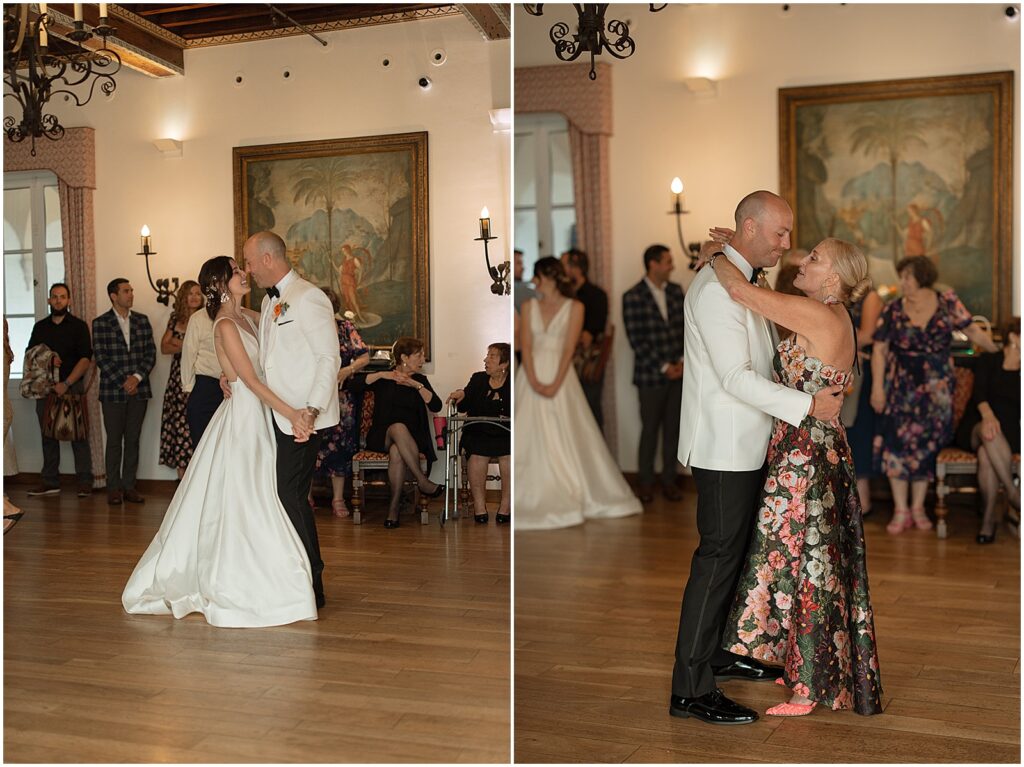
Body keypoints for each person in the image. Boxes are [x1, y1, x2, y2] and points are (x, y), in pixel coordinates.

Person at [671, 191, 844, 726]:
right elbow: (733, 378)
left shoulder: (738, 279)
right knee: (717, 561)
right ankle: (690, 688)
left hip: (747, 442)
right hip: (724, 446)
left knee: (735, 556)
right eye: (780, 234)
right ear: (748, 227)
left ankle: (720, 655)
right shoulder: (717, 290)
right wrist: (808, 404)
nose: (788, 245)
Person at [708, 234, 883, 717]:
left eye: (813, 258)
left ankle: (807, 688)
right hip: (815, 449)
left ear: (833, 277)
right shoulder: (831, 314)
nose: (800, 261)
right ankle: (805, 669)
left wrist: (719, 258)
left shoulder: (822, 315)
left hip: (806, 456)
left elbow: (741, 294)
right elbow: (758, 295)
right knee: (809, 563)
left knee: (808, 567)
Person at [122, 256, 317, 627]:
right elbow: (253, 381)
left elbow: (269, 362)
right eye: (236, 271)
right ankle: (247, 578)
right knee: (248, 496)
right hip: (246, 415)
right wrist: (292, 414)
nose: (245, 274)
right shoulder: (225, 324)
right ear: (221, 282)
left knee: (263, 493)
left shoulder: (252, 315)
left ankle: (273, 571)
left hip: (260, 413)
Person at [245, 231, 340, 608]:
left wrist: (311, 411)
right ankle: (292, 576)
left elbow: (327, 359)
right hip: (277, 416)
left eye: (250, 262)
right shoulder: (271, 304)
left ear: (268, 259)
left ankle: (312, 582)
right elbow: (272, 359)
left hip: (302, 419)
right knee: (282, 496)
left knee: (291, 496)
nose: (248, 270)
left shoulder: (308, 297)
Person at [870, 255, 997, 534]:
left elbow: (972, 330)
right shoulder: (892, 309)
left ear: (922, 277)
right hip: (900, 389)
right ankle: (901, 509)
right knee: (897, 447)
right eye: (901, 276)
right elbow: (879, 350)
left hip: (936, 391)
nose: (902, 281)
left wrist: (998, 355)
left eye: (907, 276)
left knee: (927, 448)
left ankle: (917, 508)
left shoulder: (947, 301)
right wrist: (877, 388)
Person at [515, 257, 641, 530]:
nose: (534, 282)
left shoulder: (575, 307)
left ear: (547, 277)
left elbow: (569, 349)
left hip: (562, 376)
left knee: (568, 432)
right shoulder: (528, 306)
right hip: (530, 374)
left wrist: (555, 383)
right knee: (529, 434)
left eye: (537, 276)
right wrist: (534, 380)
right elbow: (525, 345)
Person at [622, 244, 686, 504]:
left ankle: (669, 481)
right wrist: (663, 367)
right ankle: (645, 483)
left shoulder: (675, 291)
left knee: (673, 431)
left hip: (679, 373)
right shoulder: (632, 296)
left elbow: (686, 330)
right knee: (649, 430)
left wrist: (681, 362)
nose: (672, 266)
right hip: (650, 377)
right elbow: (636, 339)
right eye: (667, 261)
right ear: (653, 264)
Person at [360, 337, 444, 528]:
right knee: (397, 427)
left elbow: (436, 405)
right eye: (419, 355)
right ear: (404, 357)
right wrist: (382, 375)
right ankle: (422, 481)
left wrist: (415, 385)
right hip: (382, 435)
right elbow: (354, 384)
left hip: (411, 440)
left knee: (397, 451)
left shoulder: (421, 380)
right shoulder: (384, 377)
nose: (423, 359)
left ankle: (393, 508)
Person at [954, 317, 1020, 543]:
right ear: (1014, 337)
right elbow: (979, 393)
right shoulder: (990, 360)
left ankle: (988, 520)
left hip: (1010, 433)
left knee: (986, 454)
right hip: (977, 424)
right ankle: (1013, 495)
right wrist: (988, 416)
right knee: (988, 430)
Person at [25, 283, 94, 497]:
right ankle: (50, 481)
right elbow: (31, 356)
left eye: (62, 297)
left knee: (78, 436)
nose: (58, 300)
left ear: (69, 300)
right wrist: (48, 363)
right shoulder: (40, 327)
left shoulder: (79, 326)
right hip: (46, 390)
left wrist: (67, 383)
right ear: (48, 300)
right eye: (54, 297)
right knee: (48, 436)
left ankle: (84, 482)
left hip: (72, 387)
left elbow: (86, 359)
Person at [92, 279, 156, 505]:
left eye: (131, 290)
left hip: (139, 391)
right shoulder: (100, 323)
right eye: (126, 291)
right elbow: (101, 357)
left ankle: (129, 487)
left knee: (133, 440)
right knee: (114, 441)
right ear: (113, 295)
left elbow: (151, 354)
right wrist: (124, 381)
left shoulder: (142, 320)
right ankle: (114, 488)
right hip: (112, 392)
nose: (131, 294)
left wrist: (136, 378)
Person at [312, 287, 370, 519]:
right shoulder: (308, 328)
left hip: (341, 398)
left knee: (341, 448)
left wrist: (348, 369)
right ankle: (306, 496)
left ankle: (338, 498)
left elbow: (364, 355)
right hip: (311, 397)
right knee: (310, 446)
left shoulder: (345, 328)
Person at [448, 343, 511, 525]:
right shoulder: (478, 379)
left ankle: (505, 506)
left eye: (492, 356)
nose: (486, 360)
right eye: (487, 355)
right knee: (476, 457)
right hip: (478, 432)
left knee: (508, 457)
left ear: (504, 364)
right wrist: (461, 394)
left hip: (506, 434)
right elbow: (464, 404)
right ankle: (479, 507)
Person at [843, 286, 885, 516]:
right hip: (847, 366)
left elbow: (868, 334)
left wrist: (836, 336)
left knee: (859, 432)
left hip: (862, 371)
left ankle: (863, 501)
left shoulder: (870, 297)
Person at [158, 280, 202, 479]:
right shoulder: (176, 319)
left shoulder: (206, 317)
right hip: (177, 379)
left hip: (199, 376)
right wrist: (187, 346)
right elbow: (164, 347)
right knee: (178, 424)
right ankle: (182, 478)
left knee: (196, 424)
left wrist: (181, 344)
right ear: (184, 296)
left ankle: (197, 476)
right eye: (191, 293)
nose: (194, 297)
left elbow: (203, 349)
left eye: (198, 293)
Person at [561, 248, 609, 427]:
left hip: (587, 364)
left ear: (576, 268)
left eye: (563, 265)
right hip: (567, 362)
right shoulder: (565, 296)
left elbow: (588, 336)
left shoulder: (596, 295)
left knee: (589, 409)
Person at [180, 278, 223, 449]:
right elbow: (188, 353)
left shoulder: (241, 315)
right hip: (206, 387)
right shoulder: (198, 318)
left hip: (234, 389)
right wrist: (189, 388)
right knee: (203, 446)